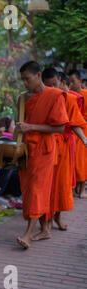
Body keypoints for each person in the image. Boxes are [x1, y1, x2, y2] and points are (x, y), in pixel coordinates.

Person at [15, 61, 68, 249]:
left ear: (38, 75)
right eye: (22, 80)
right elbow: (20, 123)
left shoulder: (54, 95)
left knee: (37, 190)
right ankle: (44, 228)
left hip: (44, 150)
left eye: (27, 79)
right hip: (26, 150)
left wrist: (31, 127)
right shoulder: (23, 98)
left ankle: (28, 235)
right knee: (29, 191)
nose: (25, 83)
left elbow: (60, 127)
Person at [41, 70, 87, 232]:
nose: (52, 88)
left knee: (61, 185)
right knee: (46, 186)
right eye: (48, 85)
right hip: (46, 146)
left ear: (61, 81)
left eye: (54, 84)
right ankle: (45, 223)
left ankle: (57, 217)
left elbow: (74, 122)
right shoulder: (42, 97)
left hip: (64, 147)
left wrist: (84, 139)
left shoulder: (70, 99)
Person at [68, 69, 87, 199]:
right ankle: (77, 189)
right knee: (76, 160)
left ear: (80, 81)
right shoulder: (72, 95)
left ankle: (81, 189)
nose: (70, 85)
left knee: (82, 161)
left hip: (83, 128)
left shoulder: (85, 94)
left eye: (73, 82)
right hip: (76, 129)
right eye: (69, 82)